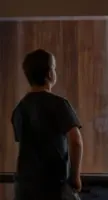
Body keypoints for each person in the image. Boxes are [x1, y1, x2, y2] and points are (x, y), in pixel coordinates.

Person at [11, 49, 83, 200]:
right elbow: (76, 141)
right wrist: (75, 176)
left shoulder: (19, 109)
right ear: (50, 74)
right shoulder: (59, 104)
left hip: (24, 186)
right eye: (54, 68)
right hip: (53, 185)